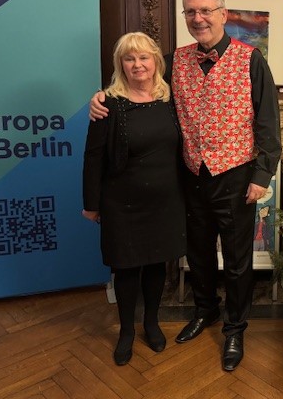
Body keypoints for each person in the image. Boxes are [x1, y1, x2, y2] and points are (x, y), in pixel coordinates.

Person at [89, 0, 281, 371]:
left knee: (238, 260)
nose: (198, 18)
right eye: (190, 11)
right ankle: (205, 310)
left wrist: (261, 176)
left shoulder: (251, 60)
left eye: (205, 10)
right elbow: (137, 84)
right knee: (198, 252)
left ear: (222, 14)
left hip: (236, 175)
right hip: (189, 176)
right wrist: (102, 97)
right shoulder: (174, 61)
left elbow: (268, 124)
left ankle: (235, 328)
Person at [82, 32, 187, 366]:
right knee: (126, 268)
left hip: (166, 201)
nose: (137, 64)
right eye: (129, 58)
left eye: (144, 57)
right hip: (122, 204)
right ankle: (126, 331)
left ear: (156, 61)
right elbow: (93, 157)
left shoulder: (171, 98)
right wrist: (91, 204)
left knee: (157, 265)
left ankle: (151, 324)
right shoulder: (108, 104)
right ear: (121, 64)